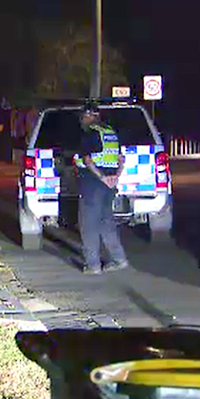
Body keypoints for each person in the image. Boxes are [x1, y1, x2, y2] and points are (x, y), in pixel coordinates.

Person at [74, 103, 129, 274]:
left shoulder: (90, 134)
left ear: (89, 116)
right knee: (106, 222)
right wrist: (114, 178)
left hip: (93, 185)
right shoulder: (109, 133)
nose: (82, 120)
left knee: (88, 225)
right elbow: (120, 159)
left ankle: (93, 265)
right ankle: (119, 259)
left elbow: (88, 160)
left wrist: (102, 177)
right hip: (109, 186)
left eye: (83, 117)